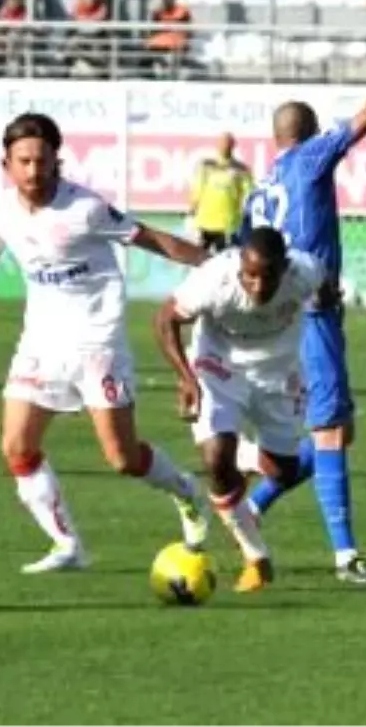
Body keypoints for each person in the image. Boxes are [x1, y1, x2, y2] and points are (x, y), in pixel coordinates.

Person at [0, 112, 211, 575]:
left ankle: (186, 492)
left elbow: (148, 237)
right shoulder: (3, 209)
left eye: (42, 160)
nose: (34, 171)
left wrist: (212, 264)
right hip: (41, 342)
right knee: (16, 445)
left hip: (98, 342)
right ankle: (67, 545)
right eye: (24, 161)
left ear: (58, 160)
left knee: (122, 457)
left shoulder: (85, 209)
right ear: (7, 164)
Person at [234, 44, 366, 585]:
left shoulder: (258, 192)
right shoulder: (312, 158)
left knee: (335, 433)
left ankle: (253, 508)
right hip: (313, 313)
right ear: (311, 134)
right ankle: (346, 556)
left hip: (282, 320)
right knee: (331, 431)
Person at [153, 227, 326, 594]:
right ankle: (256, 557)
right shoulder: (214, 278)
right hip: (219, 369)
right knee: (216, 459)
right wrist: (186, 378)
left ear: (285, 267)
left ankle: (242, 458)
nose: (259, 286)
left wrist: (330, 300)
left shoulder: (305, 271)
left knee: (283, 471)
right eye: (250, 275)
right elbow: (165, 319)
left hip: (280, 375)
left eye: (268, 276)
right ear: (239, 268)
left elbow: (325, 284)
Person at [187, 131, 253, 253]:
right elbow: (197, 190)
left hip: (228, 225)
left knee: (225, 260)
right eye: (222, 142)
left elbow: (250, 194)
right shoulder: (206, 165)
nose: (225, 145)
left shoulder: (241, 169)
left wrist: (247, 217)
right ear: (217, 144)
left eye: (228, 143)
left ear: (233, 145)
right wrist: (191, 212)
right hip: (204, 223)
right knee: (198, 258)